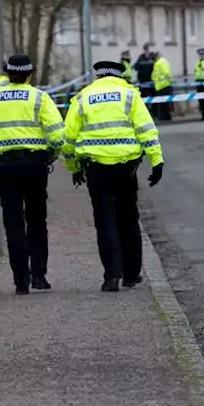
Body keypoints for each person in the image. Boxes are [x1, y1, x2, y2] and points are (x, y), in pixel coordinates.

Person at [63, 60, 165, 292]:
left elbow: (69, 138)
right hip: (126, 168)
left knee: (105, 220)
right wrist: (156, 161)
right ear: (119, 75)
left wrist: (74, 168)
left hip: (96, 168)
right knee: (128, 219)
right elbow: (146, 130)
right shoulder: (129, 95)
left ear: (98, 76)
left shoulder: (83, 97)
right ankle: (131, 275)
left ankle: (111, 276)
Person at [0, 54, 65, 295]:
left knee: (13, 222)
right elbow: (57, 133)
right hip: (35, 164)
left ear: (7, 73)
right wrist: (52, 154)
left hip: (5, 167)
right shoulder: (39, 97)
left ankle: (20, 281)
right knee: (36, 219)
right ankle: (39, 275)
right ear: (29, 74)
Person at [151, 51, 173, 121]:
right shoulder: (158, 62)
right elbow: (155, 74)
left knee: (164, 103)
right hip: (161, 85)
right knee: (163, 103)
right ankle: (164, 116)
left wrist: (170, 81)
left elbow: (166, 73)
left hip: (163, 85)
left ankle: (165, 117)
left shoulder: (161, 62)